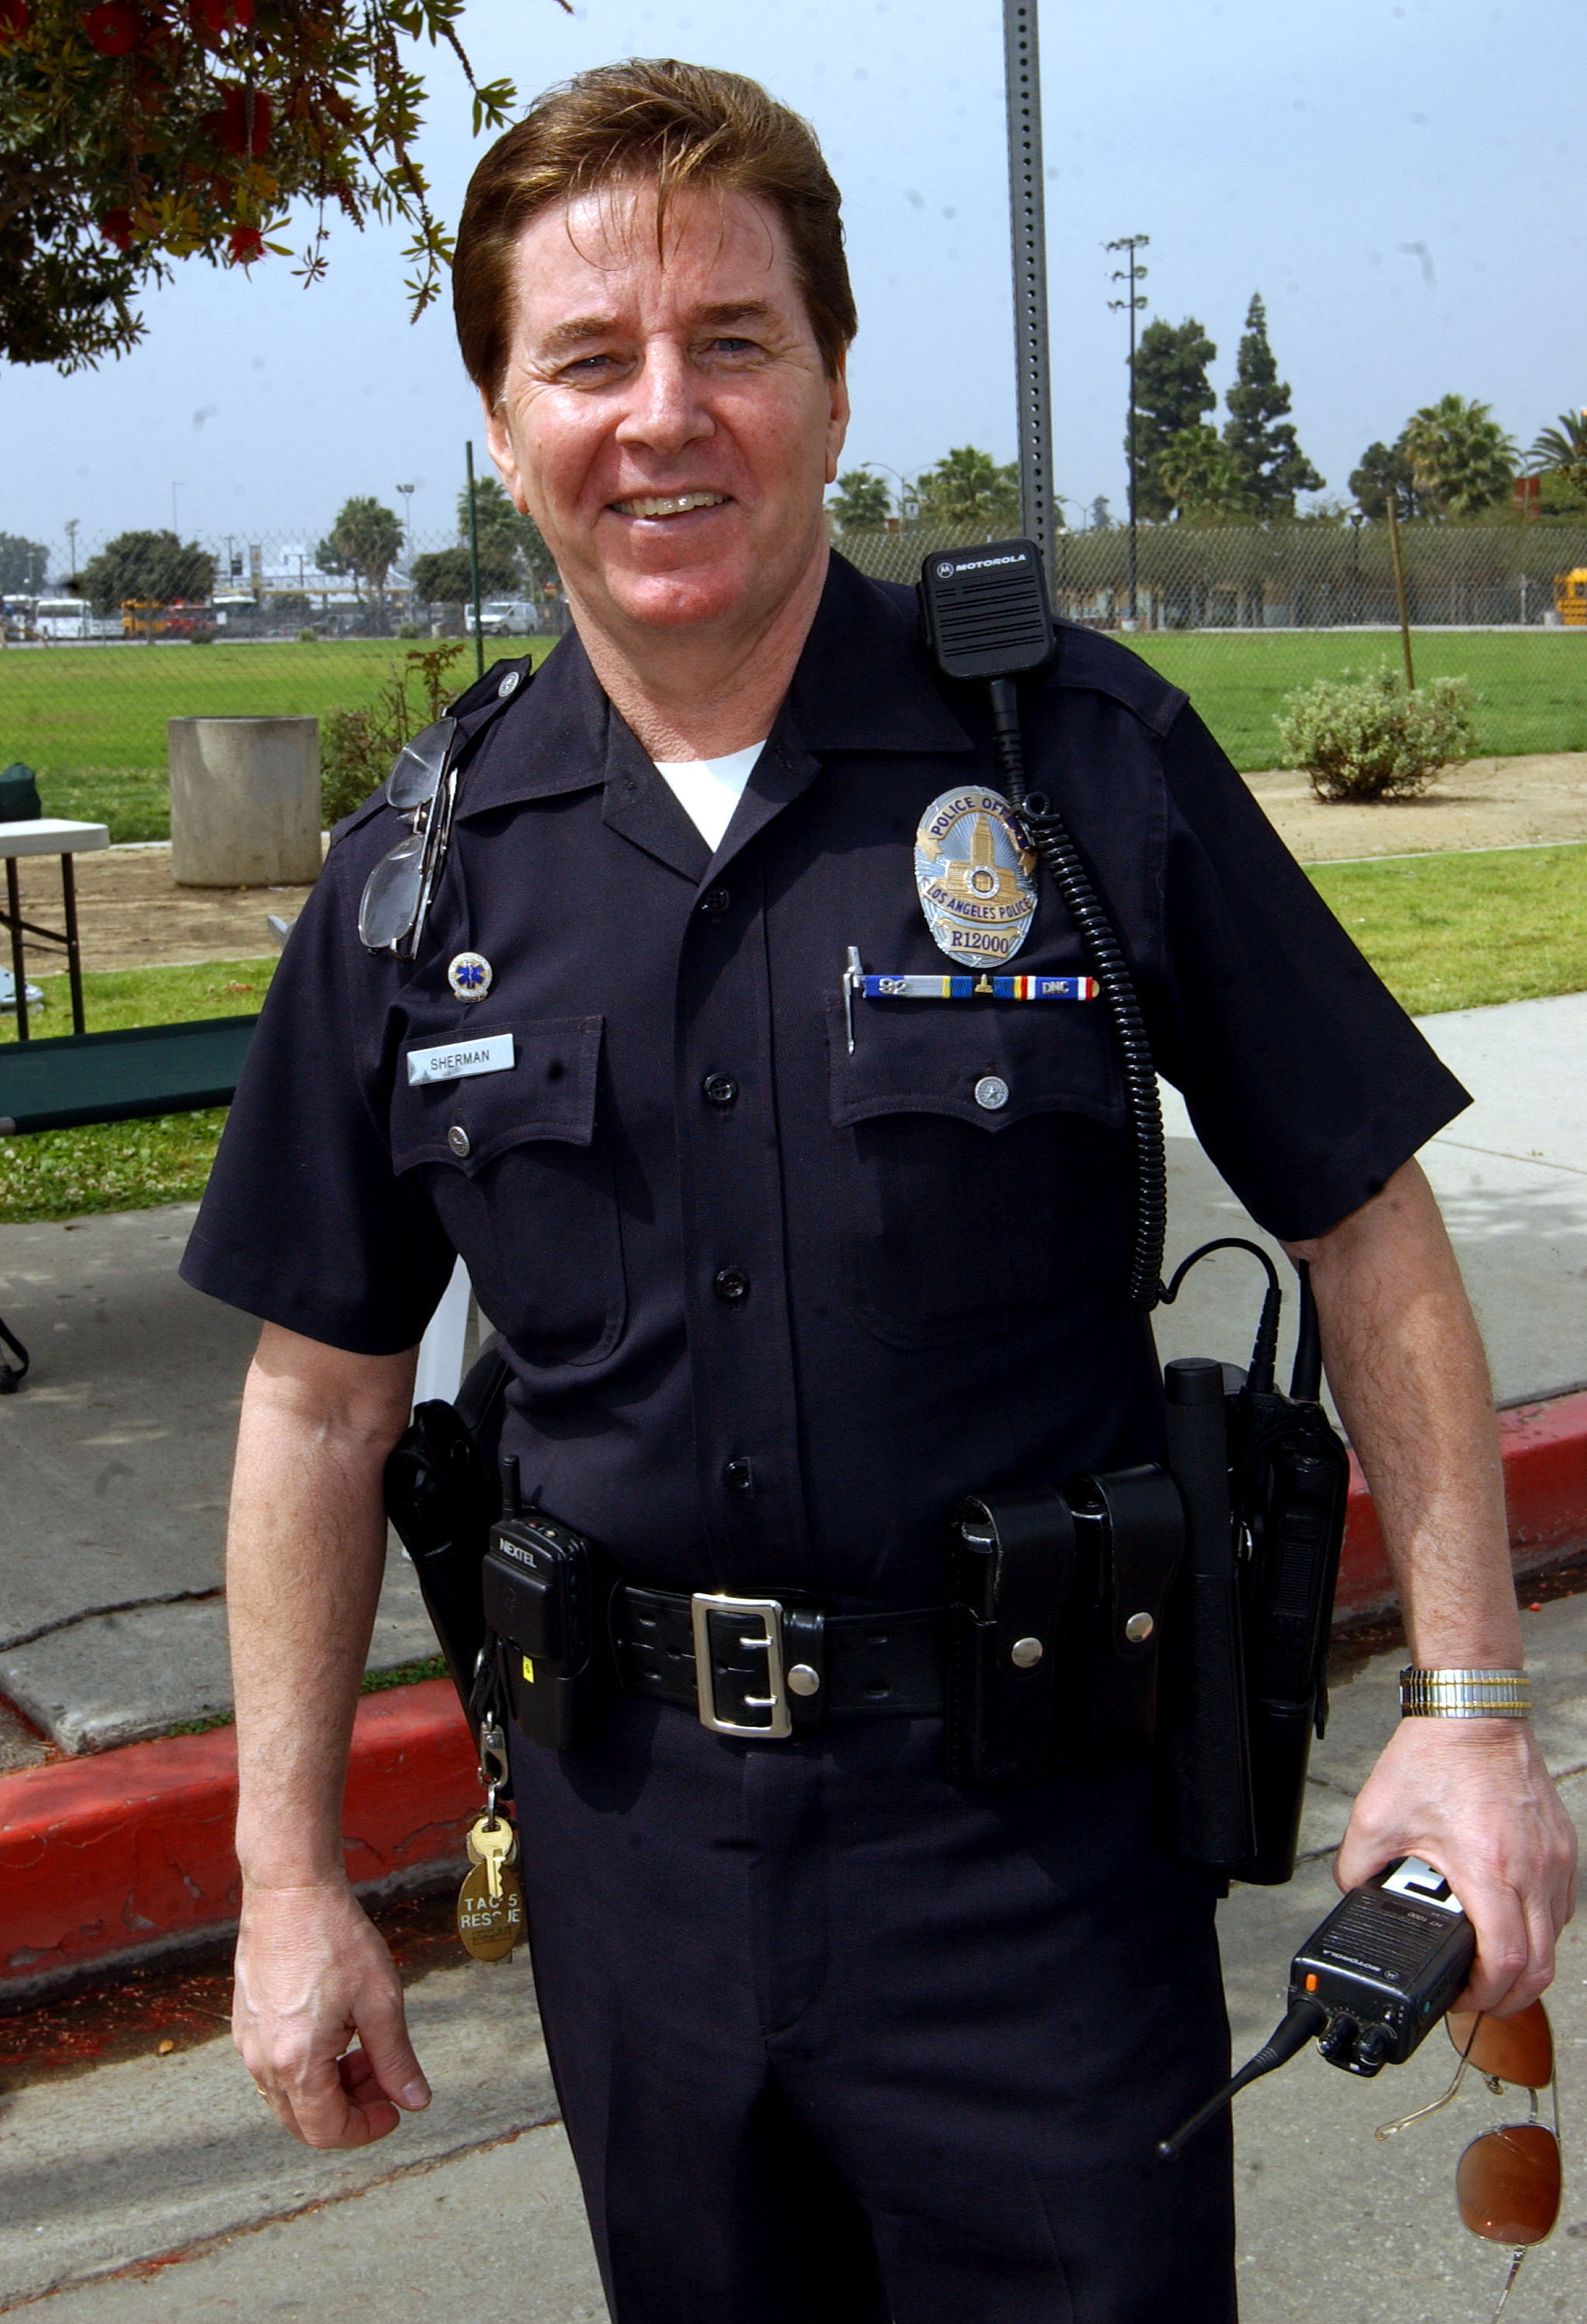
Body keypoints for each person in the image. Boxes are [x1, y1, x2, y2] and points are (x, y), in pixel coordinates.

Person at [183, 57, 1575, 2324]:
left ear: (834, 386)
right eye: (591, 360)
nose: (666, 416)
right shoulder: (412, 876)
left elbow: (1370, 1228)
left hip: (1034, 1868)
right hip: (634, 1876)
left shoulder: (1074, 764)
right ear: (498, 416)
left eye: (733, 341)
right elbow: (316, 1404)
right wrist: (284, 1878)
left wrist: (1473, 1716)